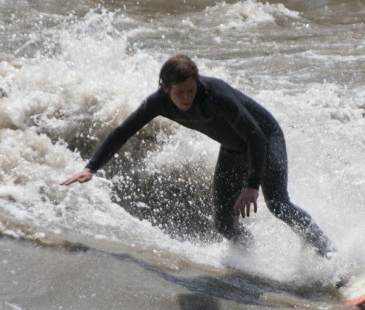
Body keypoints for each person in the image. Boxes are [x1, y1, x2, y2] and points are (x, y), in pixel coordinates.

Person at [61, 54, 333, 257]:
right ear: (165, 87)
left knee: (278, 204)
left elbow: (256, 136)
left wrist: (252, 186)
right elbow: (123, 130)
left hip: (264, 139)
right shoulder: (157, 103)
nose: (187, 97)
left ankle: (328, 253)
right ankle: (255, 259)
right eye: (180, 92)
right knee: (224, 225)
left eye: (191, 90)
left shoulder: (215, 95)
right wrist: (92, 167)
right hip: (233, 150)